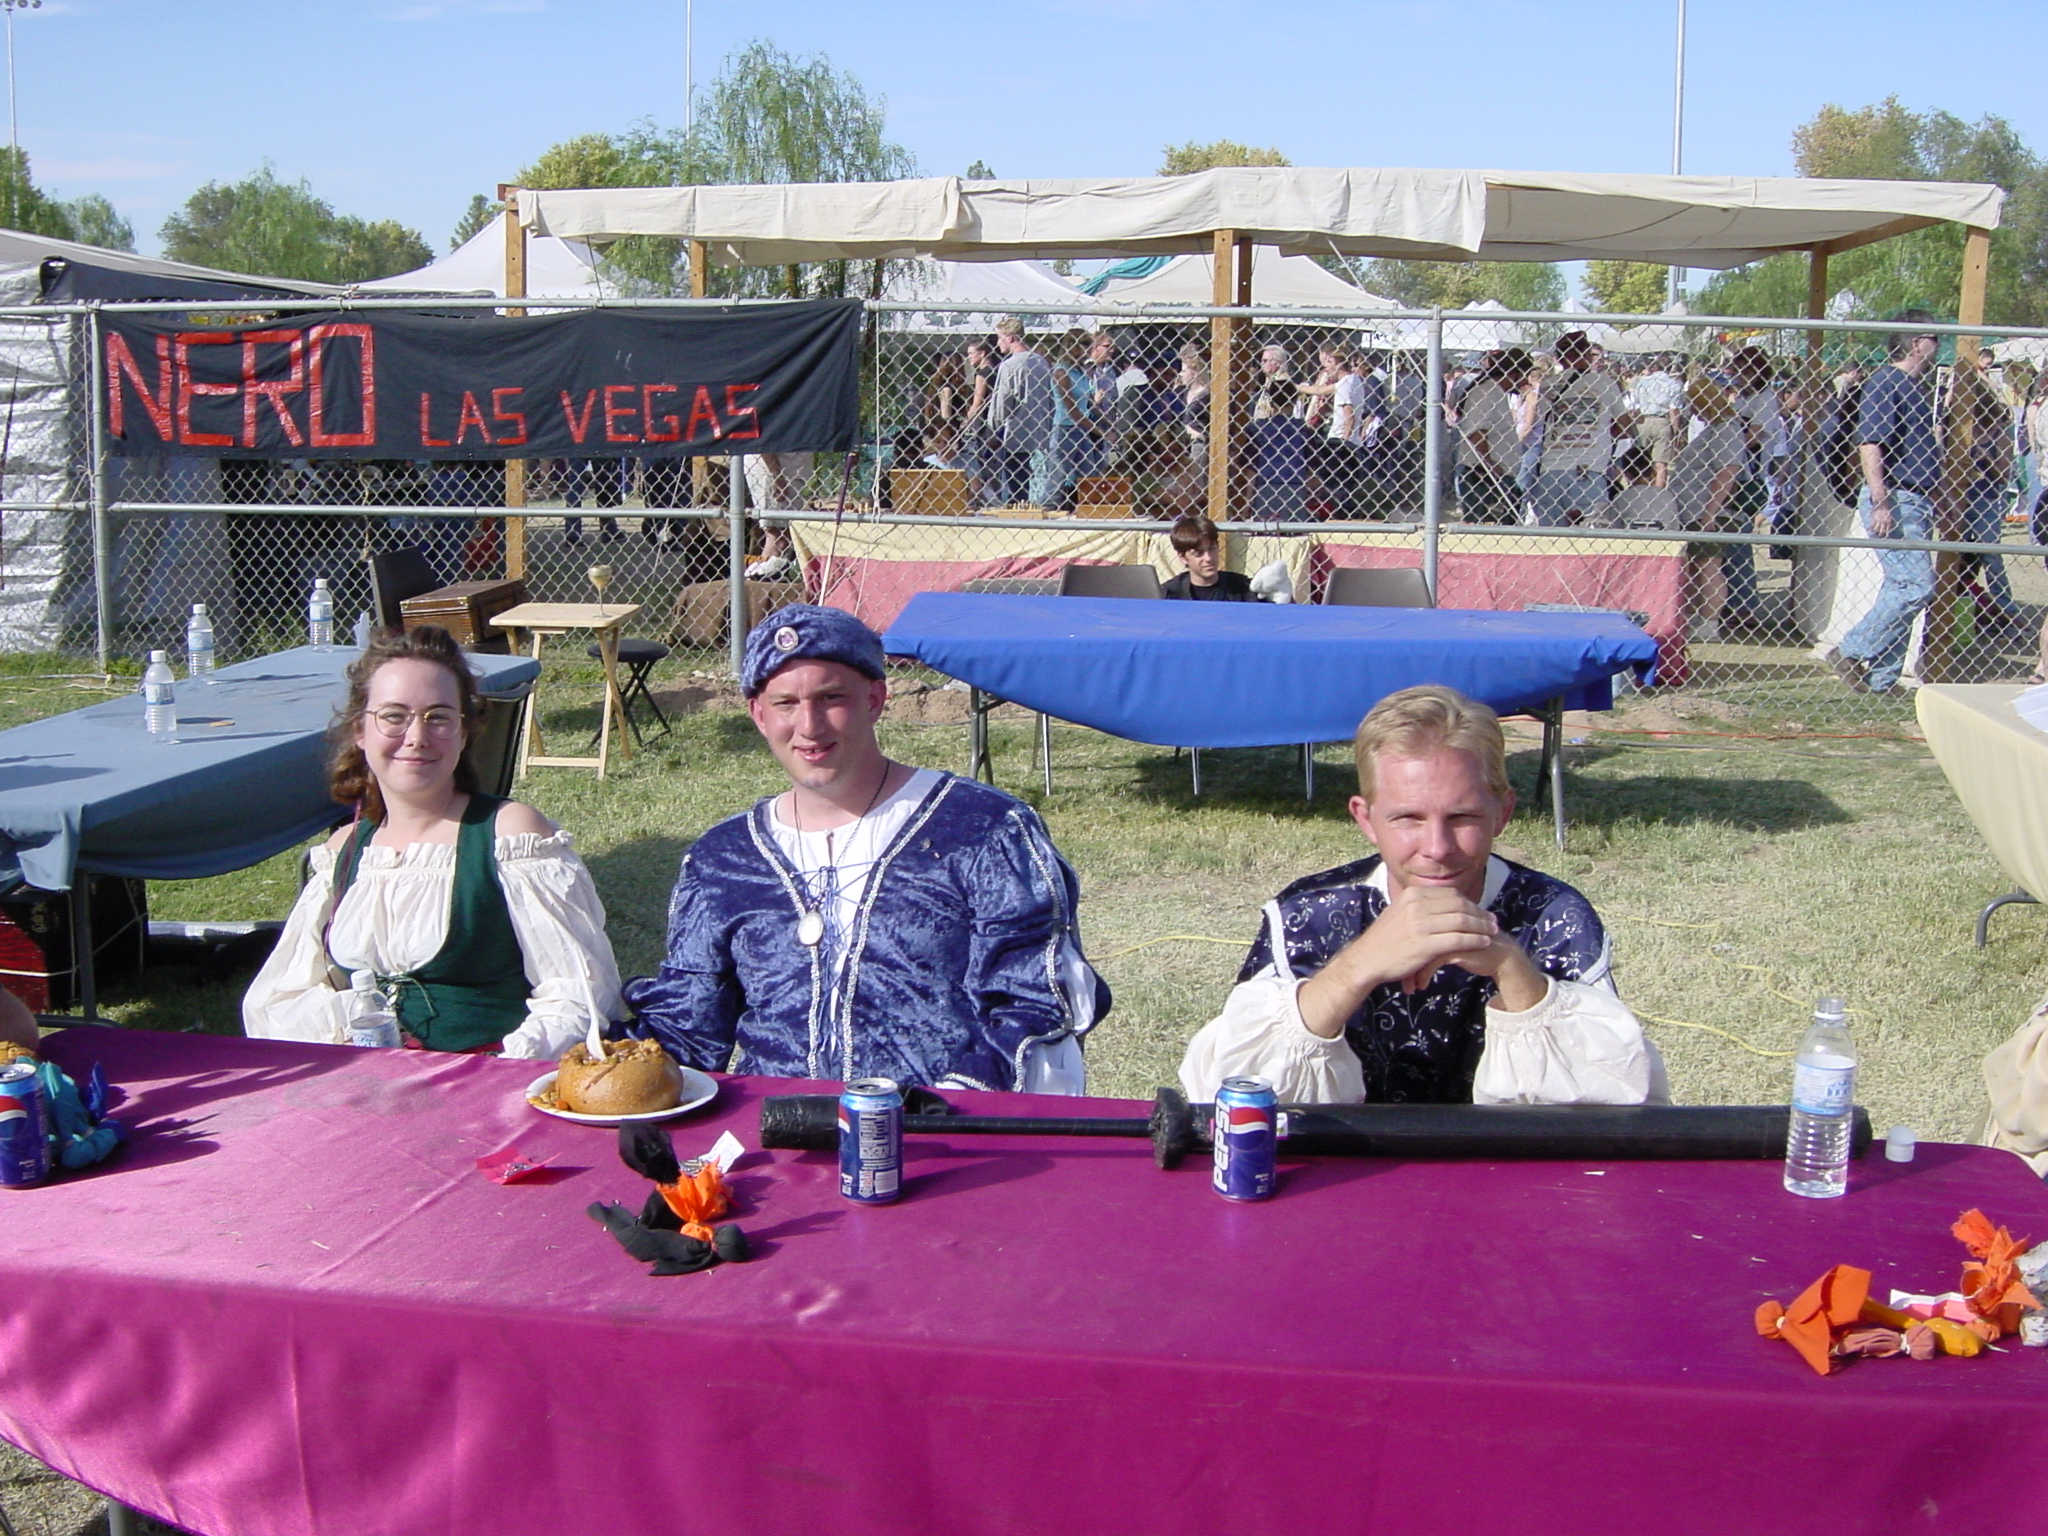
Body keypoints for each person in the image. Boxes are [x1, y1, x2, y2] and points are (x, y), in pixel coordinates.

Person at [623, 606, 1109, 1091]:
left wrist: (947, 1109)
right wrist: (601, 1053)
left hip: (939, 1126)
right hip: (775, 1126)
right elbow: (688, 1023)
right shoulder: (724, 858)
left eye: (831, 698)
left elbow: (1036, 1004)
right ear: (758, 714)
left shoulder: (981, 829)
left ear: (875, 699)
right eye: (786, 703)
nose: (809, 726)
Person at [1178, 686, 1664, 1105]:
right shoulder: (1309, 914)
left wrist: (1513, 971)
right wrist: (1356, 967)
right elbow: (1228, 1095)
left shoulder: (1553, 916)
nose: (1437, 848)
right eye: (1408, 818)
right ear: (1366, 818)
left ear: (1502, 812)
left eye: (1462, 817)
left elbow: (1615, 1100)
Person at [243, 626, 623, 1056]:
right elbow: (281, 997)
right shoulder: (344, 853)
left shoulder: (511, 835)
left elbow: (579, 992)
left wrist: (504, 1068)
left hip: (493, 1079)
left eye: (439, 716)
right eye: (394, 716)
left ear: (464, 732)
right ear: (360, 730)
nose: (416, 737)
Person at [1827, 313, 1944, 695]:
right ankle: (1850, 650)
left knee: (1901, 585)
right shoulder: (1885, 382)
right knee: (1916, 585)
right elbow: (1870, 443)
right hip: (1895, 496)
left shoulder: (1916, 387)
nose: (1939, 345)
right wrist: (1880, 499)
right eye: (1935, 338)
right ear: (1915, 343)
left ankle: (1882, 680)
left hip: (1916, 499)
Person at [1669, 380, 1749, 643]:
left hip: (1708, 510)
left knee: (1709, 565)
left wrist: (1710, 512)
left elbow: (1728, 470)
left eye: (1695, 403)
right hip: (1693, 509)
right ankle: (1697, 616)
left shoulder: (1726, 429)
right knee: (1696, 564)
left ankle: (1710, 622)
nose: (1692, 410)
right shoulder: (1713, 429)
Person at [1530, 331, 1626, 526]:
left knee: (1551, 532)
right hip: (1588, 467)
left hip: (1551, 467)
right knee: (1591, 530)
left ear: (1559, 357)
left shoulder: (1548, 385)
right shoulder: (1604, 383)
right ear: (1587, 354)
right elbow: (1624, 426)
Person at [987, 317, 1059, 507]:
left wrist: (993, 429)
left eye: (999, 337)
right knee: (1036, 488)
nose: (997, 342)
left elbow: (1002, 403)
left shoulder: (1010, 365)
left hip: (1015, 436)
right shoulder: (1041, 362)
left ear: (1010, 338)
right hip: (1040, 434)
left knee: (1013, 491)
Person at [1161, 514, 1255, 600]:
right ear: (1183, 557)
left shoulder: (1243, 590)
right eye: (1198, 553)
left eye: (1212, 549)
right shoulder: (1169, 594)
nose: (1208, 558)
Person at [1626, 354, 1685, 489]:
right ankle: (1658, 492)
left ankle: (1636, 489)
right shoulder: (1673, 385)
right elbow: (1674, 410)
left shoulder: (1641, 383)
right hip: (1662, 422)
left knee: (1639, 459)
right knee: (1661, 463)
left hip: (1642, 421)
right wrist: (1676, 431)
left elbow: (1633, 405)